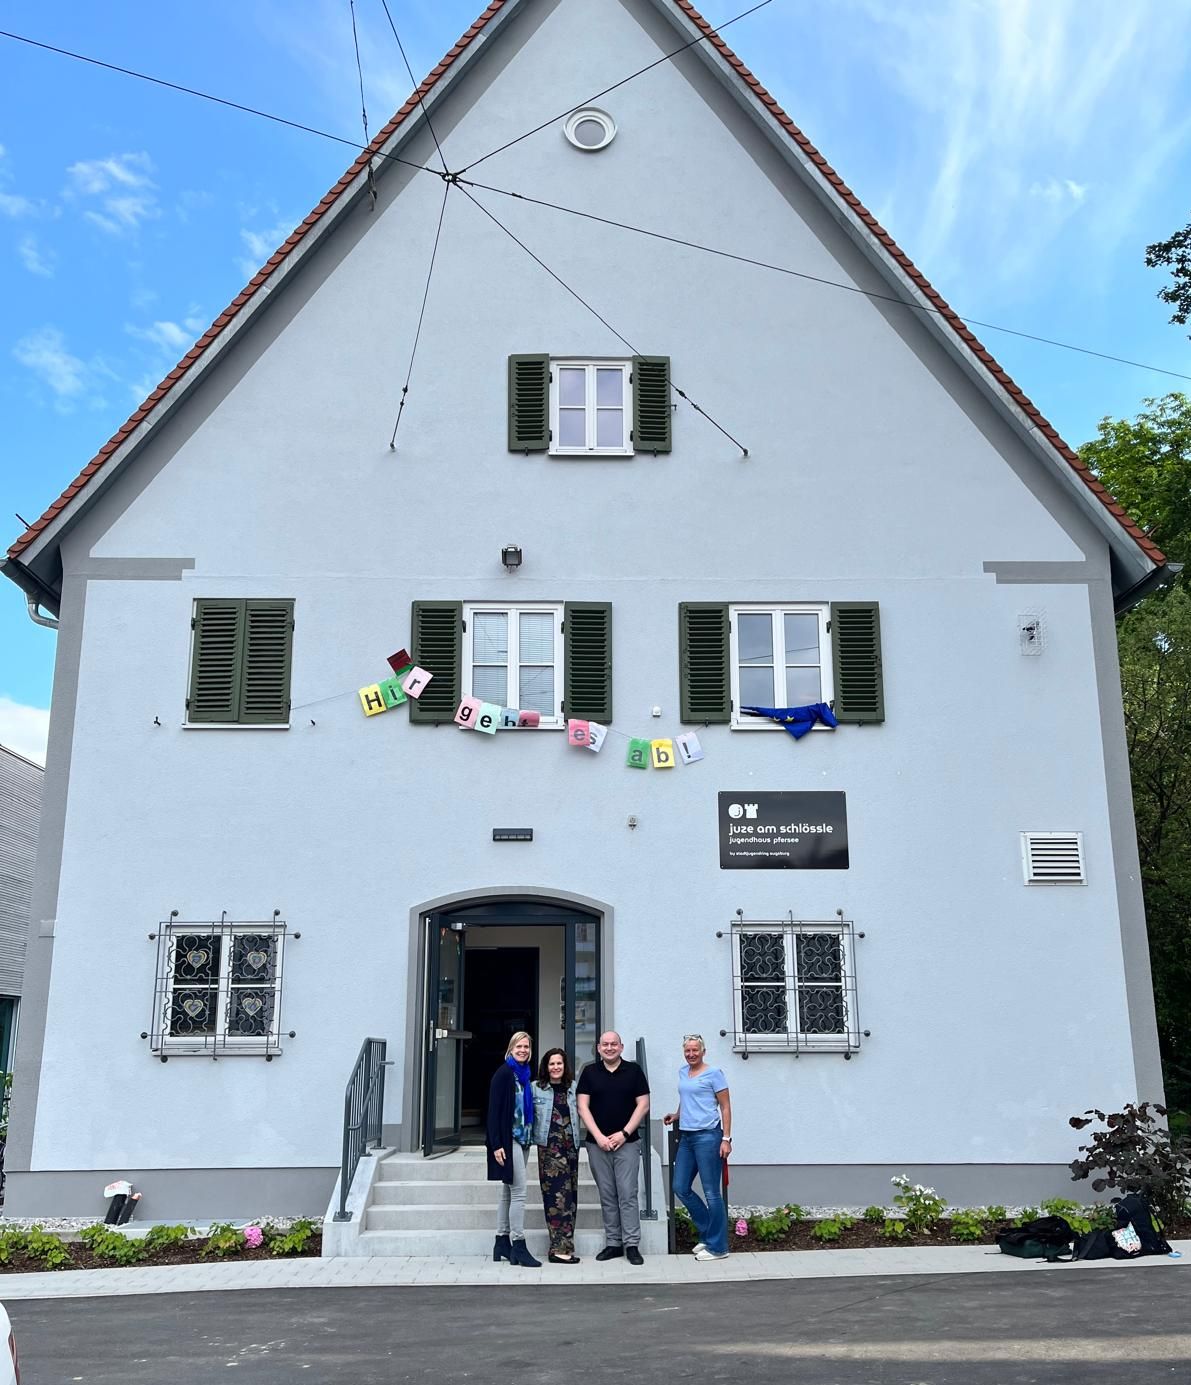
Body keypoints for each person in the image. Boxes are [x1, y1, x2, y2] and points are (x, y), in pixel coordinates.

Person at [576, 1030, 650, 1264]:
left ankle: (631, 1244)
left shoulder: (634, 1071)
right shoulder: (589, 1072)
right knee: (607, 1195)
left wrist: (624, 1133)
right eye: (605, 1044)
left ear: (621, 1047)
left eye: (613, 1044)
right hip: (597, 1145)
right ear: (598, 1048)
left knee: (628, 1194)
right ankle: (613, 1243)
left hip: (627, 1144)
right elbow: (582, 1107)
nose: (609, 1048)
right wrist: (598, 1137)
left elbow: (643, 1104)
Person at [663, 1033, 732, 1261]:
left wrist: (726, 1139)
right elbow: (687, 1099)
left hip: (709, 1137)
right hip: (687, 1137)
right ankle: (708, 1234)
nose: (691, 1054)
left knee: (712, 1193)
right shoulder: (683, 1072)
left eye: (695, 1050)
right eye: (687, 1051)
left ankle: (718, 1247)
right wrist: (677, 1115)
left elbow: (725, 1107)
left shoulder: (714, 1074)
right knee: (680, 1187)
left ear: (703, 1051)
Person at [486, 1030, 541, 1267]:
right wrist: (496, 1144)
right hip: (509, 1141)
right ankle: (518, 1244)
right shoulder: (504, 1074)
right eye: (519, 1047)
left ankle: (501, 1241)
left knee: (508, 1192)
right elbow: (493, 1112)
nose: (523, 1050)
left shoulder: (525, 1075)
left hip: (523, 1138)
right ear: (511, 1048)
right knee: (519, 1192)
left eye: (526, 1047)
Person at [531, 1047, 582, 1264]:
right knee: (556, 1198)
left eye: (559, 1063)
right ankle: (558, 1249)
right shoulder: (536, 1088)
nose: (555, 1067)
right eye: (552, 1064)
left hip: (571, 1147)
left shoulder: (573, 1088)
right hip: (550, 1150)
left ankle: (565, 1245)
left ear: (565, 1066)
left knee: (570, 1198)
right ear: (546, 1066)